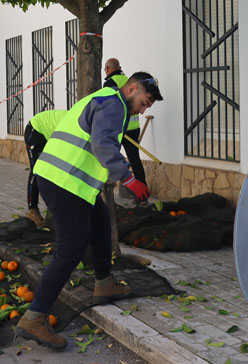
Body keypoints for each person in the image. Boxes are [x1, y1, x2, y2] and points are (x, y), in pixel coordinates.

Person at [15, 72, 163, 349]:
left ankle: (104, 283)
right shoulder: (113, 104)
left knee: (101, 220)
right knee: (70, 248)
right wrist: (128, 177)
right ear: (132, 88)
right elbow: (102, 144)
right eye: (145, 101)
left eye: (148, 107)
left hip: (72, 182)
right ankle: (34, 318)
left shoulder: (106, 100)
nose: (144, 110)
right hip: (63, 181)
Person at [102, 58, 163, 186]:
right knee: (134, 159)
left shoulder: (111, 83)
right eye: (143, 104)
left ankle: (117, 187)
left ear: (107, 69)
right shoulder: (129, 79)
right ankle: (140, 185)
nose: (142, 112)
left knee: (112, 157)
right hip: (133, 128)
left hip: (119, 129)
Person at [24, 109, 67, 228]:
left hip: (49, 135)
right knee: (37, 170)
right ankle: (32, 211)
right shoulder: (75, 126)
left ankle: (53, 209)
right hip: (36, 130)